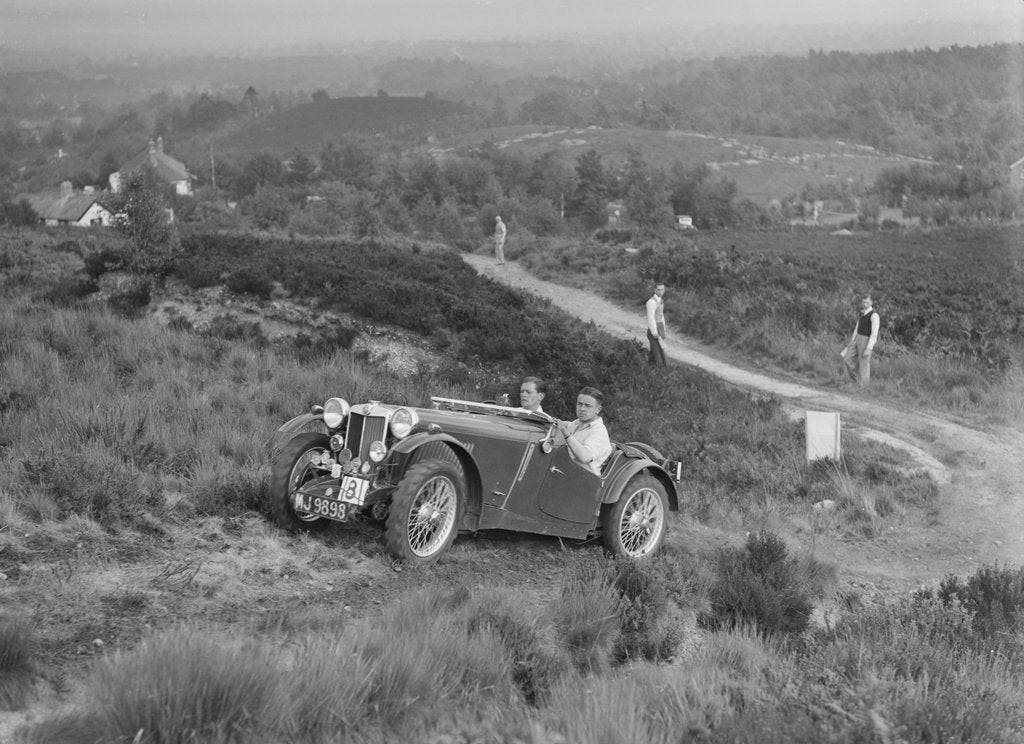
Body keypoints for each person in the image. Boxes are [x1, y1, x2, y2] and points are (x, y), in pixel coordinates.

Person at [556, 386, 612, 476]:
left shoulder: (599, 431)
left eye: (587, 406)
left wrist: (566, 433)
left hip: (584, 481)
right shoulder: (576, 423)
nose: (582, 409)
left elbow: (585, 457)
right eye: (579, 404)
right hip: (566, 474)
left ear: (598, 409)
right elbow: (566, 424)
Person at [841, 295, 880, 385]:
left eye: (867, 302)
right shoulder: (862, 313)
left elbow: (874, 334)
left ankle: (864, 387)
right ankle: (851, 382)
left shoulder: (874, 315)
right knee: (847, 358)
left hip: (866, 340)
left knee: (864, 365)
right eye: (863, 302)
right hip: (857, 338)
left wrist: (869, 348)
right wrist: (852, 340)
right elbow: (857, 328)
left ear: (871, 302)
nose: (865, 304)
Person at [645, 281, 667, 367]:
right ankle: (658, 369)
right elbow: (651, 317)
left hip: (660, 327)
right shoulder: (651, 302)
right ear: (654, 290)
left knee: (657, 350)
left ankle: (651, 369)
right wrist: (654, 331)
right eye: (658, 290)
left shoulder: (661, 301)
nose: (660, 292)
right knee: (657, 352)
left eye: (662, 290)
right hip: (654, 328)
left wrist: (664, 329)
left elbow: (661, 316)